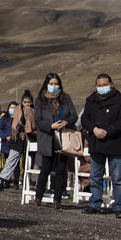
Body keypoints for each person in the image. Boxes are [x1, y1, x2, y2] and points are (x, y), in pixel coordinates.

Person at [81, 74, 121, 219]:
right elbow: (85, 119)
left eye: (104, 85)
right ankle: (94, 204)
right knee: (95, 176)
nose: (102, 87)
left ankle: (119, 207)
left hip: (115, 143)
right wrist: (94, 129)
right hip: (96, 143)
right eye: (99, 85)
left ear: (111, 85)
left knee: (118, 178)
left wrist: (107, 131)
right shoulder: (91, 100)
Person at [33, 73, 77, 208]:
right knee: (45, 168)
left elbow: (74, 115)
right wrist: (50, 126)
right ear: (46, 84)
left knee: (61, 169)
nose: (53, 86)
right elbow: (38, 120)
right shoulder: (40, 101)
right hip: (48, 137)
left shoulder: (65, 98)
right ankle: (38, 197)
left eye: (56, 83)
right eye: (51, 83)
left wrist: (66, 122)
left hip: (63, 137)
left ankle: (57, 199)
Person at [0, 100, 28, 191]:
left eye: (14, 108)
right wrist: (5, 137)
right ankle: (4, 182)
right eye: (11, 108)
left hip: (19, 142)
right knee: (9, 162)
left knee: (18, 164)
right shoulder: (5, 118)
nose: (12, 109)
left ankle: (16, 182)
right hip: (7, 143)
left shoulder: (21, 117)